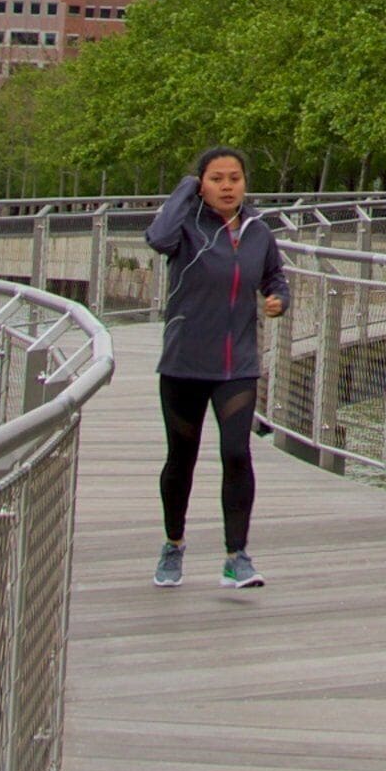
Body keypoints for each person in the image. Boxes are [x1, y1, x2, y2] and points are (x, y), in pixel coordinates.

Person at [145, 146, 287, 588]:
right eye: (216, 179)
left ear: (246, 183)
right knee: (181, 460)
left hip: (237, 364)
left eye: (235, 178)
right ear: (202, 185)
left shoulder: (258, 231)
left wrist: (279, 299)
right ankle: (173, 544)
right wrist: (185, 189)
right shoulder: (185, 229)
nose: (227, 187)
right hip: (186, 361)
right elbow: (157, 238)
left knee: (236, 454)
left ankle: (236, 556)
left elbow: (274, 276)